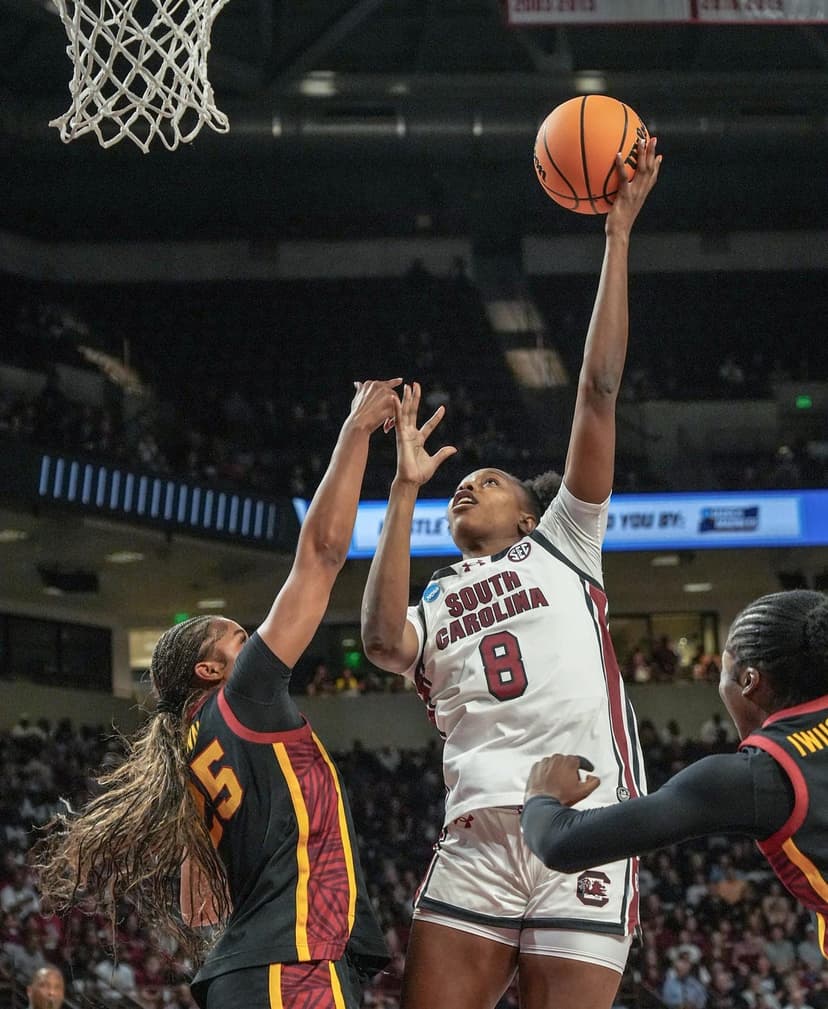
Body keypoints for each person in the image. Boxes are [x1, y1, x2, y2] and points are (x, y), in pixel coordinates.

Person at [361, 137, 662, 1009]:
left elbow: (599, 388)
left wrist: (617, 239)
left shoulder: (566, 538)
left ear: (527, 514)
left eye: (484, 481)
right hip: (478, 832)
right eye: (457, 487)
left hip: (586, 822)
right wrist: (403, 490)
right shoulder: (437, 592)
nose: (468, 484)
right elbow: (382, 645)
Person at [35, 380, 399, 1009]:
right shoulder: (242, 697)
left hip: (259, 969)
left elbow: (203, 890)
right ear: (208, 671)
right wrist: (356, 431)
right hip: (290, 967)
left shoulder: (190, 743)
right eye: (237, 635)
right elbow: (322, 552)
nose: (254, 637)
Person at [521, 590, 828, 960]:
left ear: (749, 681)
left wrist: (540, 795)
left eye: (722, 673)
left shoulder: (761, 773)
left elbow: (559, 843)